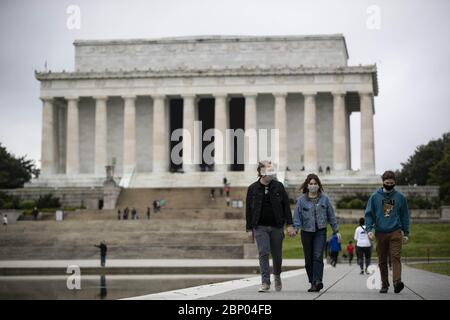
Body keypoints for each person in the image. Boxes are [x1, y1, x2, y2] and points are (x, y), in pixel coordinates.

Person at [246, 160, 295, 293]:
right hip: (259, 226)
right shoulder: (252, 188)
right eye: (269, 170)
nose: (272, 173)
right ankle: (265, 282)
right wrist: (249, 229)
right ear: (261, 172)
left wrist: (290, 225)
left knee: (277, 255)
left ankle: (277, 276)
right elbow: (248, 210)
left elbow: (286, 207)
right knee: (263, 252)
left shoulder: (279, 186)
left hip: (277, 226)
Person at [293, 173, 341, 292]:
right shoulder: (301, 200)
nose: (313, 186)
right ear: (307, 185)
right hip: (306, 232)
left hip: (320, 231)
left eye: (315, 184)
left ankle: (318, 280)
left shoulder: (324, 199)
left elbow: (331, 216)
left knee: (318, 256)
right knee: (308, 259)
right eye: (311, 184)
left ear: (319, 186)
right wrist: (296, 228)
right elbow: (297, 217)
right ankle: (312, 282)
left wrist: (336, 231)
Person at [365, 170, 410, 294]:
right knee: (382, 260)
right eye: (387, 182)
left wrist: (406, 233)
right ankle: (384, 284)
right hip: (380, 232)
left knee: (396, 257)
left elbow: (405, 215)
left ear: (394, 182)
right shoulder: (375, 197)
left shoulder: (400, 197)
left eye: (391, 183)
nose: (389, 185)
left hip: (395, 231)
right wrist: (369, 229)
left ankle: (397, 282)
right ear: (383, 182)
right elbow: (368, 215)